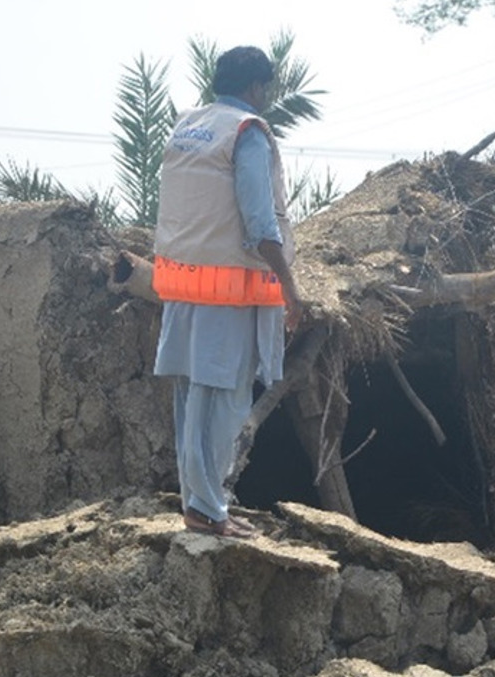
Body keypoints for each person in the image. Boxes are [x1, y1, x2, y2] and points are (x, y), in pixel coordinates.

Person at [151, 45, 302, 539]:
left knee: (191, 403)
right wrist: (290, 289)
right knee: (221, 403)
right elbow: (260, 223)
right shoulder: (247, 133)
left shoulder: (188, 126)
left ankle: (201, 504)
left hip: (183, 287)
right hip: (229, 293)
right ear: (258, 88)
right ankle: (208, 511)